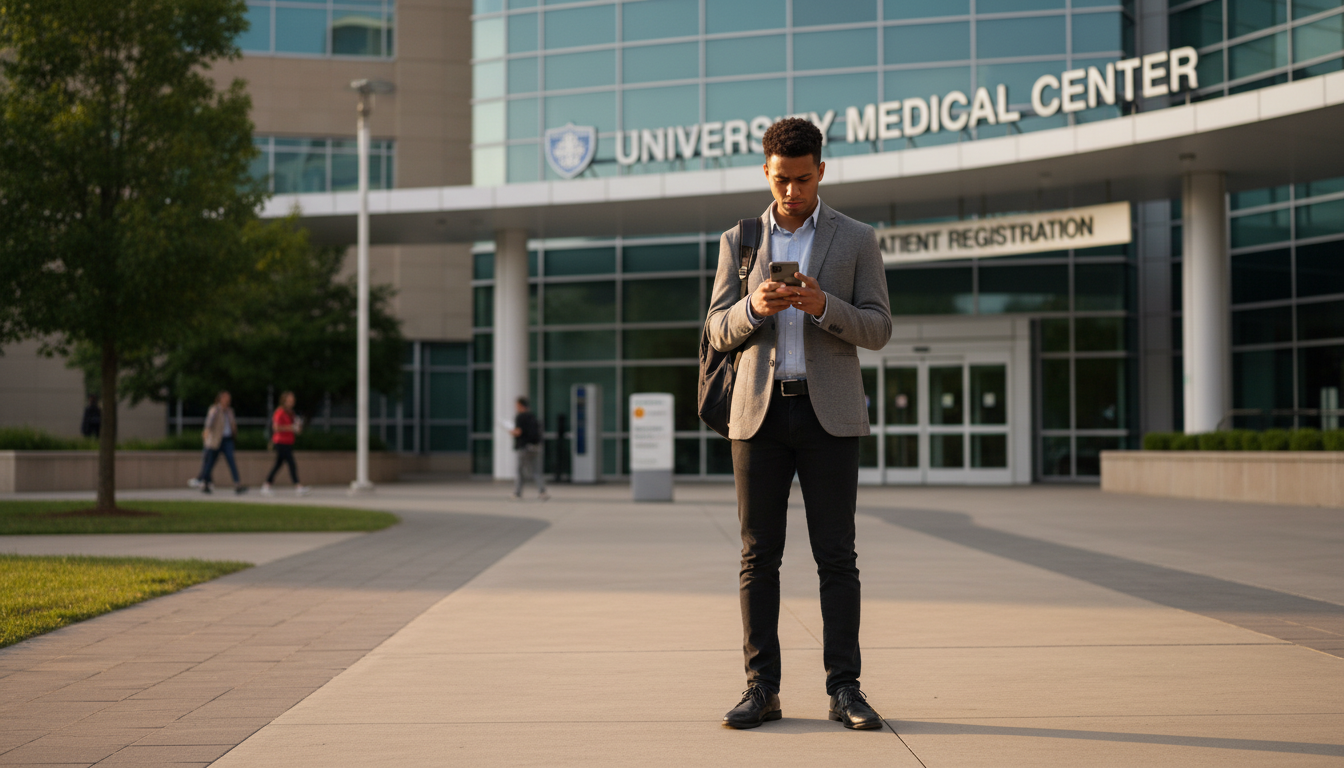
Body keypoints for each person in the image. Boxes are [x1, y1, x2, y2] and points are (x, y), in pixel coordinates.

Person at [705, 118, 892, 730]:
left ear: (821, 170)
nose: (792, 192)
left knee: (836, 556)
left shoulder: (857, 238)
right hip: (757, 415)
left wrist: (823, 306)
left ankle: (845, 688)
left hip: (828, 415)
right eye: (781, 180)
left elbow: (879, 328)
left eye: (803, 179)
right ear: (766, 171)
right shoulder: (741, 239)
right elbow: (713, 330)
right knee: (759, 557)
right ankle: (762, 688)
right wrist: (754, 307)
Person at [188, 391, 247, 495]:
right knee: (210, 462)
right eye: (225, 398)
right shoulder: (215, 410)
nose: (227, 400)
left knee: (231, 461)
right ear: (220, 399)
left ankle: (237, 484)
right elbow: (208, 424)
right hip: (216, 440)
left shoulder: (229, 411)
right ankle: (204, 483)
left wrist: (235, 433)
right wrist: (206, 437)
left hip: (227, 440)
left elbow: (233, 424)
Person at [260, 391, 309, 496]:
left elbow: (297, 429)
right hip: (280, 441)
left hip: (288, 441)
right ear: (284, 401)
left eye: (293, 400)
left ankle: (266, 485)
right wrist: (291, 427)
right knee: (291, 463)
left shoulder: (291, 413)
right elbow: (276, 427)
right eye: (289, 400)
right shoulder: (280, 412)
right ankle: (298, 486)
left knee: (278, 464)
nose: (292, 402)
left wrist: (297, 427)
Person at [509, 397, 547, 500]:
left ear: (520, 405)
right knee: (536, 471)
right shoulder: (532, 416)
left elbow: (518, 432)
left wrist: (511, 432)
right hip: (535, 447)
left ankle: (517, 493)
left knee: (520, 471)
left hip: (524, 447)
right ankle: (542, 492)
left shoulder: (520, 417)